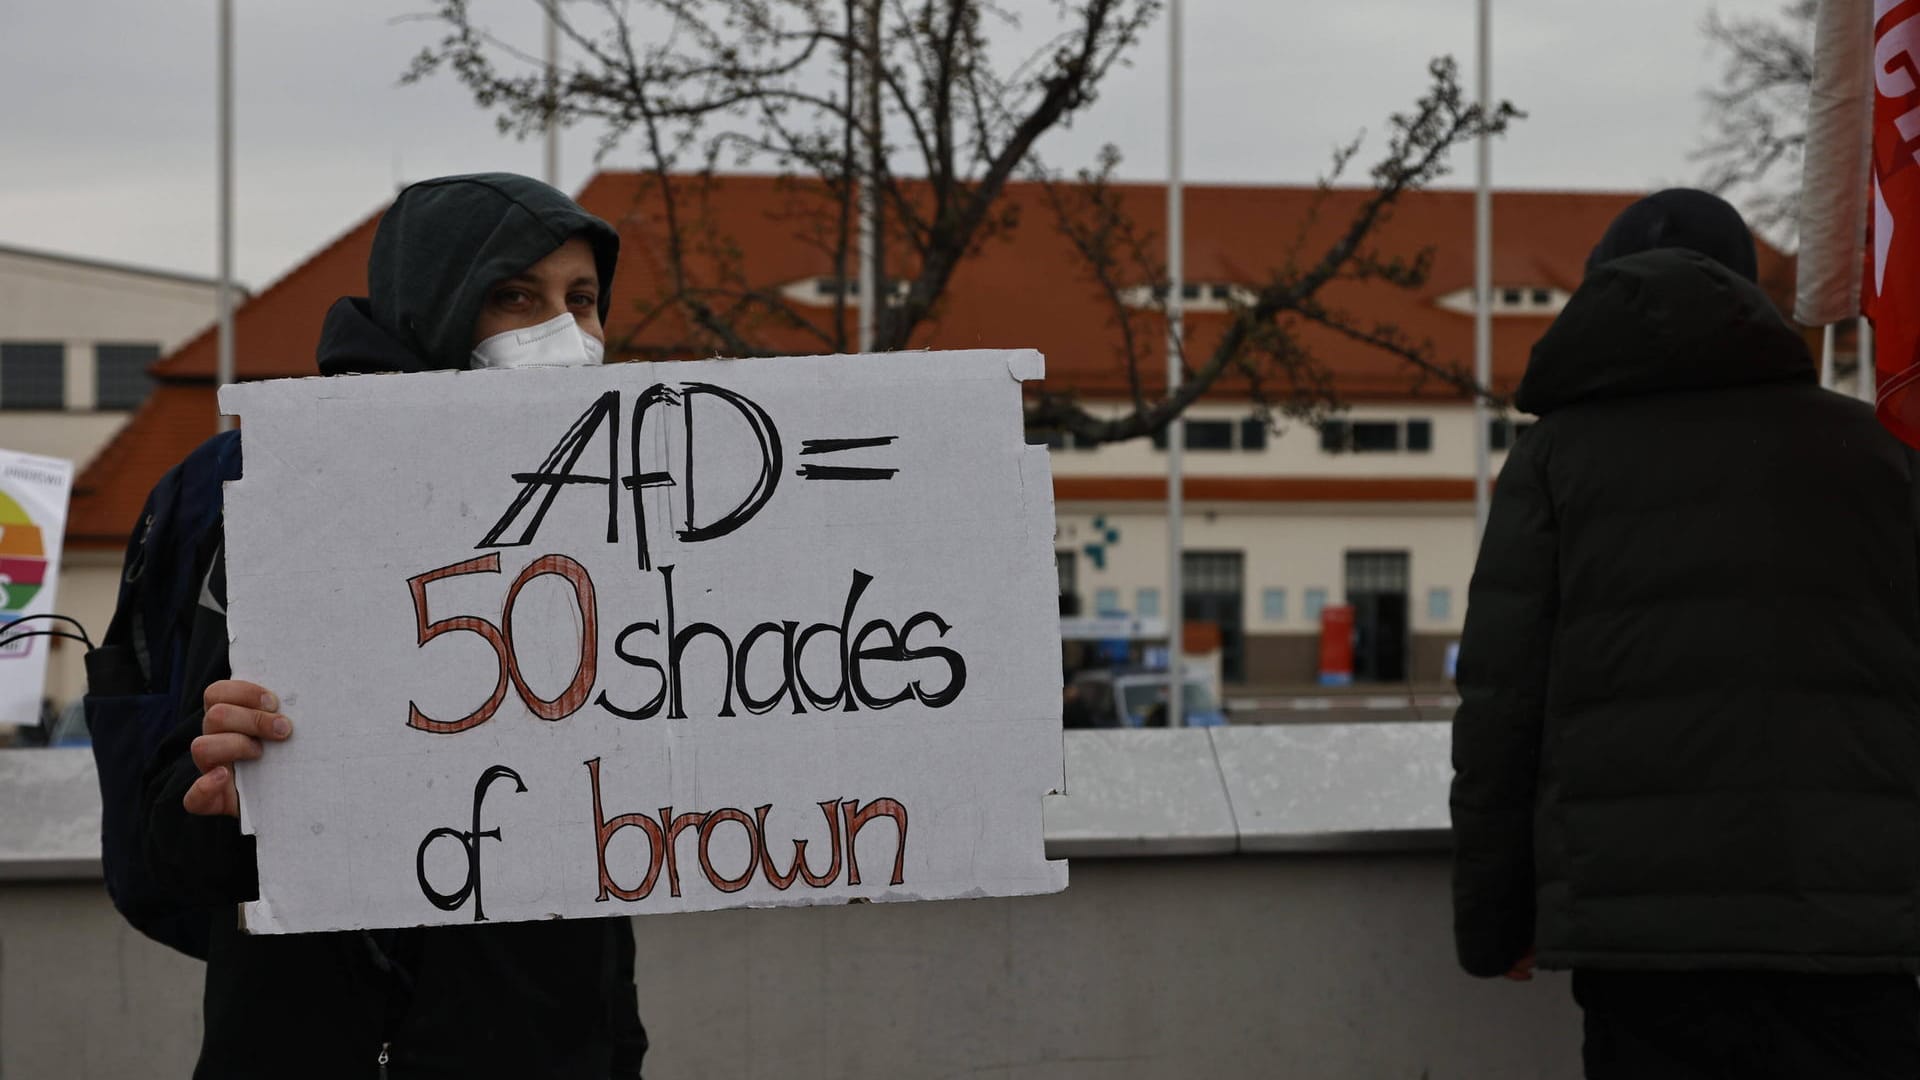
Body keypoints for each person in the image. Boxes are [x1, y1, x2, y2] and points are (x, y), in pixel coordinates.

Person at [139, 174, 648, 1079]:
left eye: (583, 300)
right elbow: (164, 846)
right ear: (434, 301)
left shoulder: (621, 512)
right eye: (514, 296)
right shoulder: (276, 500)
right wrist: (222, 796)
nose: (564, 334)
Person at [1450, 188, 1920, 1079]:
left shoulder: (1556, 461)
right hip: (1853, 942)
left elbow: (1502, 708)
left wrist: (1496, 922)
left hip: (1642, 954)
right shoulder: (1875, 453)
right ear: (1750, 296)